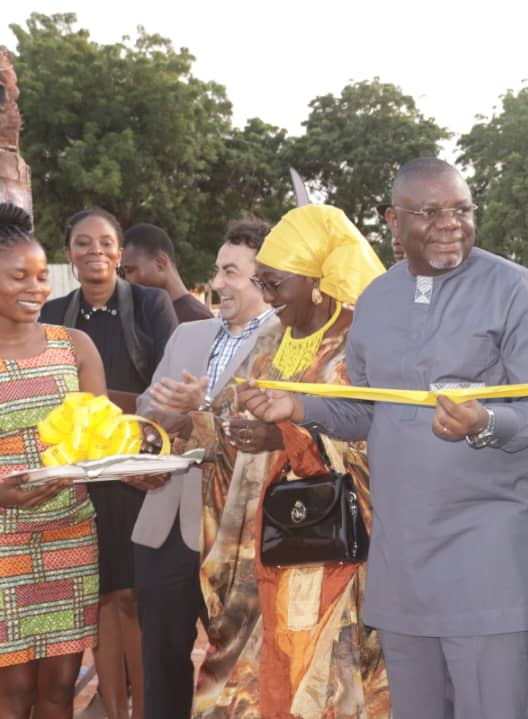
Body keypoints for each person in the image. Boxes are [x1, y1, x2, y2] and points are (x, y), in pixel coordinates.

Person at [238, 158, 528, 719]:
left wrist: (487, 425)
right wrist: (298, 405)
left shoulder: (515, 290)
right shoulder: (378, 299)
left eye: (461, 210)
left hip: (486, 555)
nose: (450, 224)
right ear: (393, 221)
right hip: (402, 558)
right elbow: (367, 410)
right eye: (430, 212)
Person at [168, 205, 389, 718]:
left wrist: (284, 437)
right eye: (261, 283)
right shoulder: (271, 339)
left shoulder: (356, 344)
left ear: (315, 279)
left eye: (274, 283)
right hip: (257, 549)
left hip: (330, 552)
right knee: (251, 683)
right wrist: (189, 426)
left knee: (324, 683)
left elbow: (373, 441)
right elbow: (229, 424)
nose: (266, 298)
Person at [130, 218, 277, 719]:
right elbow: (148, 410)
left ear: (265, 275)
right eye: (217, 270)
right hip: (165, 525)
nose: (216, 284)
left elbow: (265, 426)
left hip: (240, 533)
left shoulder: (288, 339)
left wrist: (203, 407)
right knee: (162, 661)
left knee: (235, 671)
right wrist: (155, 428)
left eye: (230, 272)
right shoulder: (189, 334)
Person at [39, 208, 177, 719]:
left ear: (121, 252)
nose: (95, 251)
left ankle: (144, 710)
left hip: (137, 469)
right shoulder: (52, 313)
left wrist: (97, 403)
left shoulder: (150, 304)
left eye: (105, 242)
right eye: (82, 243)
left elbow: (164, 390)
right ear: (69, 253)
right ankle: (112, 708)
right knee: (98, 600)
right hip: (81, 474)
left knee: (133, 599)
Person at [0, 204, 107, 719]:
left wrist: (150, 446)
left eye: (43, 276)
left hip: (70, 538)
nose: (36, 287)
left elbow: (102, 440)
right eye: (19, 276)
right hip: (4, 545)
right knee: (12, 696)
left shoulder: (75, 347)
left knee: (60, 692)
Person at [120, 223, 213, 323]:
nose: (127, 280)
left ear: (161, 262)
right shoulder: (144, 315)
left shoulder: (198, 319)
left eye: (130, 270)